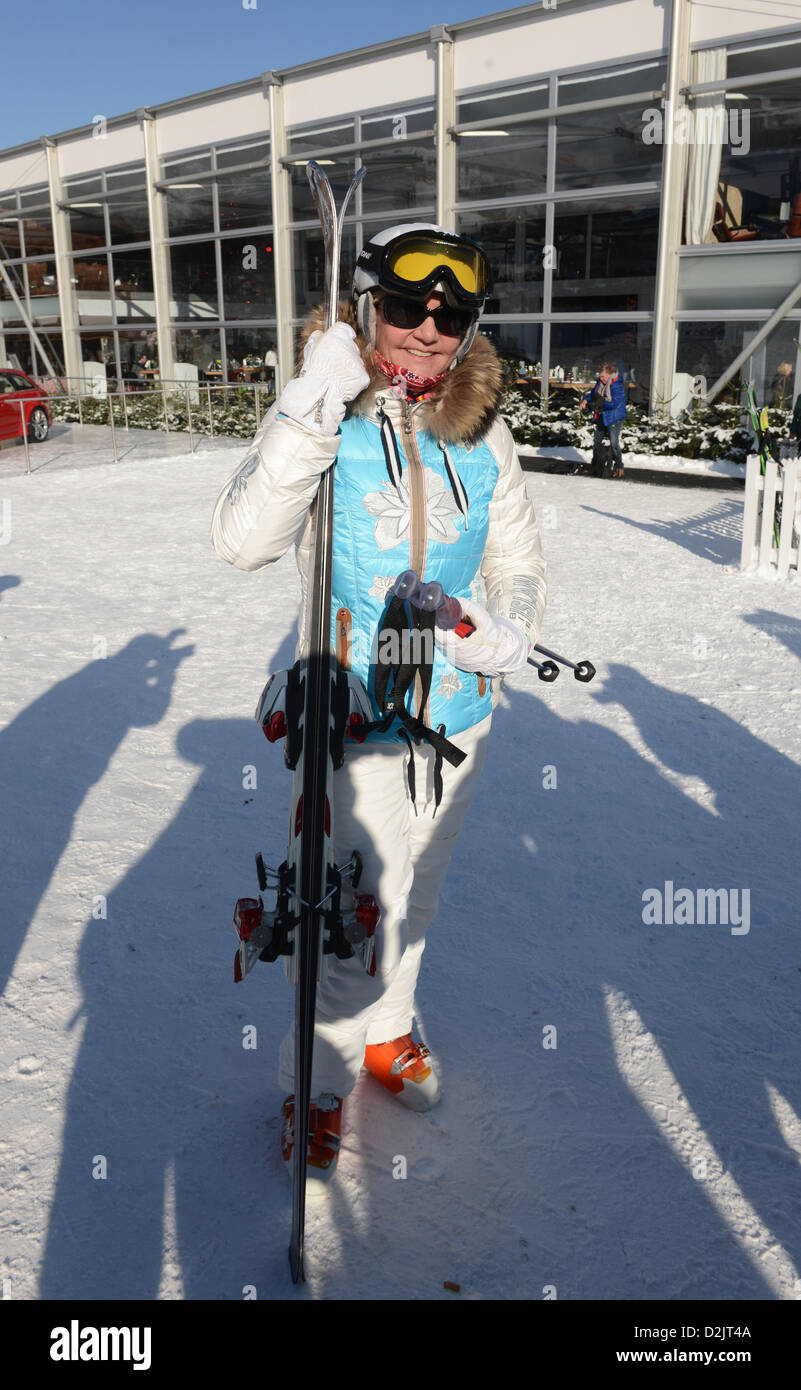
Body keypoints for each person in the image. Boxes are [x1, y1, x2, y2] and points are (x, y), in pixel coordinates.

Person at [211, 225, 547, 1189]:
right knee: (348, 920)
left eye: (452, 316)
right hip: (352, 721)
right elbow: (242, 540)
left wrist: (505, 629)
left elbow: (516, 559)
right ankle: (313, 1089)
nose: (427, 332)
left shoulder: (485, 428)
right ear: (369, 307)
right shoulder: (327, 408)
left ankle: (389, 1035)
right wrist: (309, 406)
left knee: (420, 896)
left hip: (457, 717)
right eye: (406, 309)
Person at [580, 360, 627, 478]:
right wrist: (586, 400)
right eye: (600, 376)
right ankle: (595, 465)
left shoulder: (617, 385)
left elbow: (614, 403)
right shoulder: (599, 383)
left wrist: (599, 403)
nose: (601, 379)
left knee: (614, 442)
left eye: (603, 376)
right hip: (601, 415)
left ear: (610, 374)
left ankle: (619, 466)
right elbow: (593, 395)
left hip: (614, 416)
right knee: (596, 442)